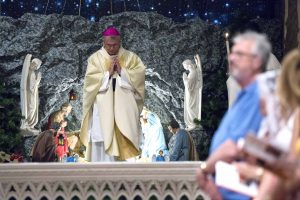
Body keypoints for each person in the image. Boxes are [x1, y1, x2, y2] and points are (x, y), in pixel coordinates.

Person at [196, 31, 271, 200]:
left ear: (257, 61)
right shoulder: (244, 96)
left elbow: (235, 147)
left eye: (239, 54)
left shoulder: (259, 96)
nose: (231, 58)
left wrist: (206, 168)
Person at [80, 26, 146, 161]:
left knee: (123, 138)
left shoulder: (131, 58)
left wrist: (122, 72)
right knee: (102, 141)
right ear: (103, 42)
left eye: (115, 45)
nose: (111, 48)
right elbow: (89, 84)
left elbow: (139, 77)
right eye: (109, 45)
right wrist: (107, 74)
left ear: (120, 42)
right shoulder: (95, 59)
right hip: (102, 109)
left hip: (124, 108)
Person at [20, 54, 42, 132]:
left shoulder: (31, 72)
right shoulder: (30, 73)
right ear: (31, 63)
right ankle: (27, 124)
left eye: (36, 67)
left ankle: (29, 124)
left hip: (31, 93)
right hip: (30, 94)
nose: (35, 67)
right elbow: (31, 86)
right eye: (34, 65)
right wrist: (38, 80)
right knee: (31, 107)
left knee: (32, 108)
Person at [182, 54, 203, 131]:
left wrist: (184, 78)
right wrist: (197, 60)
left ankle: (193, 124)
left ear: (188, 65)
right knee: (192, 108)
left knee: (190, 107)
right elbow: (199, 68)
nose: (185, 68)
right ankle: (195, 123)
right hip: (192, 93)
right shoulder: (195, 71)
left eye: (185, 66)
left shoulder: (193, 73)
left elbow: (188, 85)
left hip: (191, 94)